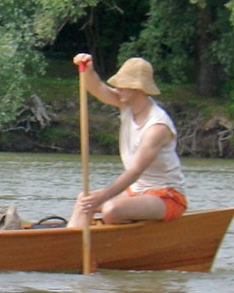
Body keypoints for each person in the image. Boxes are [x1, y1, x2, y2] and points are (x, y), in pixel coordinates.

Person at [68, 54, 186, 228]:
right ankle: (69, 248)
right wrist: (88, 70)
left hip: (167, 196)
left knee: (111, 209)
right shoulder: (127, 104)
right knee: (83, 201)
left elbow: (134, 171)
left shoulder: (157, 127)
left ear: (138, 89)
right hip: (136, 192)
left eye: (123, 86)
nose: (118, 89)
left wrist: (104, 196)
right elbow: (98, 89)